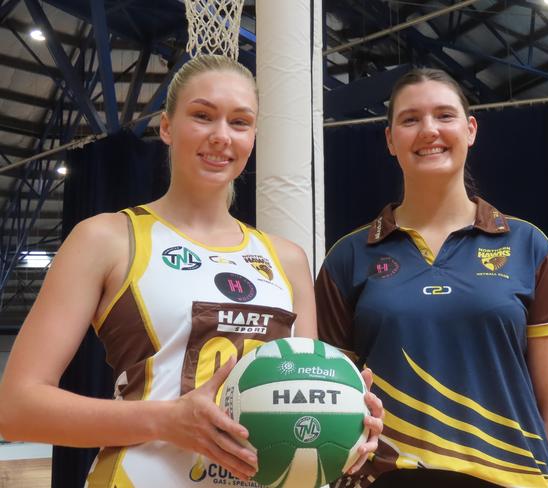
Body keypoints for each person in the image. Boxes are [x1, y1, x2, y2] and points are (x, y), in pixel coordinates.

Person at [0, 54, 381, 487]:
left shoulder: (287, 259)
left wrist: (345, 426)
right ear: (166, 126)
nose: (221, 136)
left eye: (239, 122)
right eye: (202, 116)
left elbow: (300, 404)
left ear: (253, 136)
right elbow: (16, 410)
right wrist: (166, 420)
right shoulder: (106, 238)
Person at [315, 68, 548, 488]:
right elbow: (327, 402)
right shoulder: (348, 257)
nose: (429, 130)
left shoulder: (530, 247)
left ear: (470, 130)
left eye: (444, 115)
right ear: (389, 139)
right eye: (410, 119)